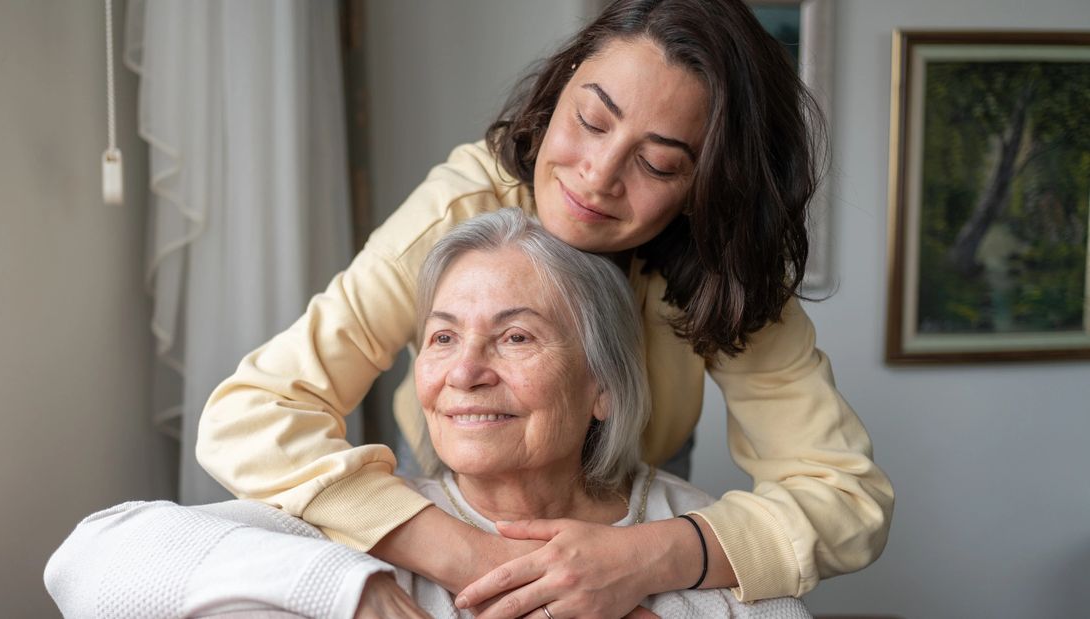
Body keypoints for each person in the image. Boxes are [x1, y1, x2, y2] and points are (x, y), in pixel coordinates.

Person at [198, 0, 894, 616]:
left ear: (707, 186)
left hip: (636, 499)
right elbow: (251, 415)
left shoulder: (725, 269)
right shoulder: (457, 210)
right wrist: (472, 558)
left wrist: (645, 558)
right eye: (591, 120)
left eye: (656, 164)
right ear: (560, 89)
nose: (597, 175)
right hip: (453, 494)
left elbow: (847, 497)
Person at [45, 209, 813, 619]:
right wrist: (352, 593)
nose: (464, 372)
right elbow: (86, 565)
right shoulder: (366, 520)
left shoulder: (689, 534)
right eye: (443, 337)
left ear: (603, 385)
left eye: (515, 336)